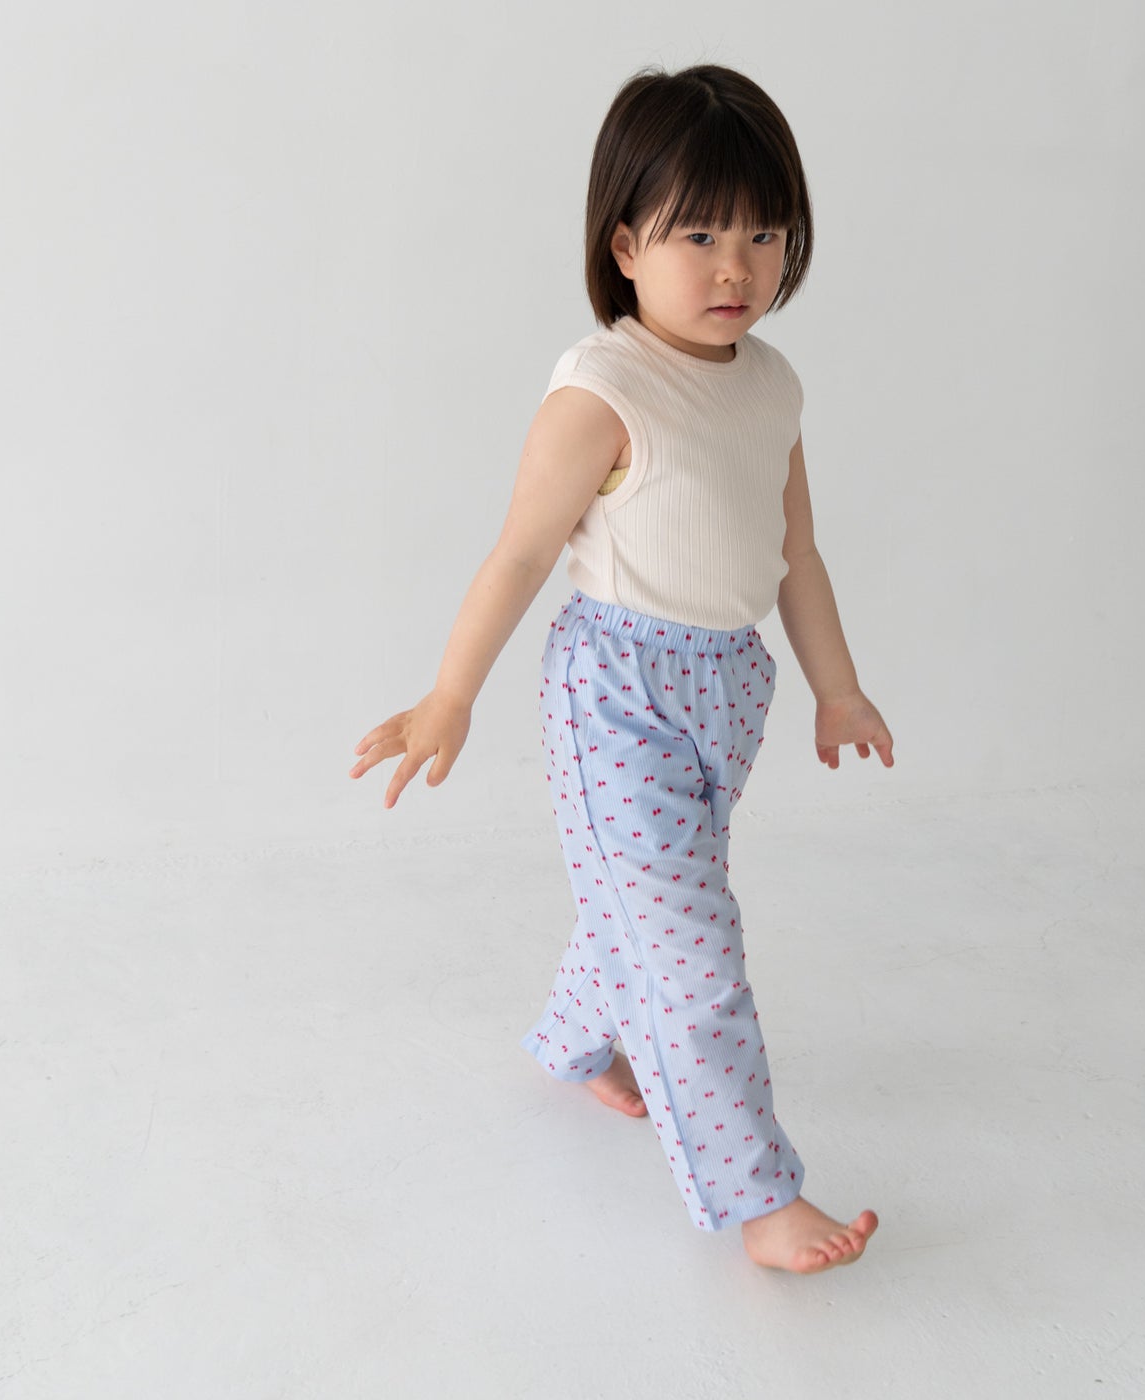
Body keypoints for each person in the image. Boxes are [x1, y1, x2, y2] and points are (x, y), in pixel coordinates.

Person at [351, 63, 893, 1275]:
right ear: (627, 243)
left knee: (647, 905)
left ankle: (574, 1044)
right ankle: (761, 1200)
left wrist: (836, 687)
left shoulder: (773, 386)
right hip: (619, 697)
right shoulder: (603, 389)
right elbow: (519, 553)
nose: (736, 265)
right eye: (699, 235)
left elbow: (797, 552)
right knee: (693, 956)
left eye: (764, 234)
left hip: (731, 690)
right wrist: (449, 696)